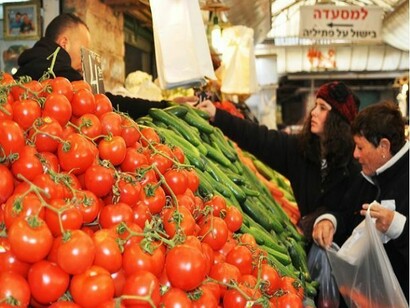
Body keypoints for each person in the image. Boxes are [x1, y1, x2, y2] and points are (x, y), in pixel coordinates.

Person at [197, 81, 361, 243]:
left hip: (345, 252)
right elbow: (260, 138)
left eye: (323, 108)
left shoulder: (355, 162)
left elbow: (353, 214)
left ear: (338, 120)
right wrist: (217, 115)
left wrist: (330, 220)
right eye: (316, 105)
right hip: (313, 248)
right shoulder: (301, 150)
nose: (314, 112)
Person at [312, 101, 409, 301]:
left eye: (360, 147)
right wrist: (330, 221)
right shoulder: (367, 176)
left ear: (384, 146)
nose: (355, 154)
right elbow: (347, 213)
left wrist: (398, 227)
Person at [13, 13, 171, 119]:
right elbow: (106, 104)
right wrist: (164, 107)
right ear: (64, 43)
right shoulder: (56, 72)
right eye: (83, 50)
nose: (84, 60)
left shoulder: (31, 63)